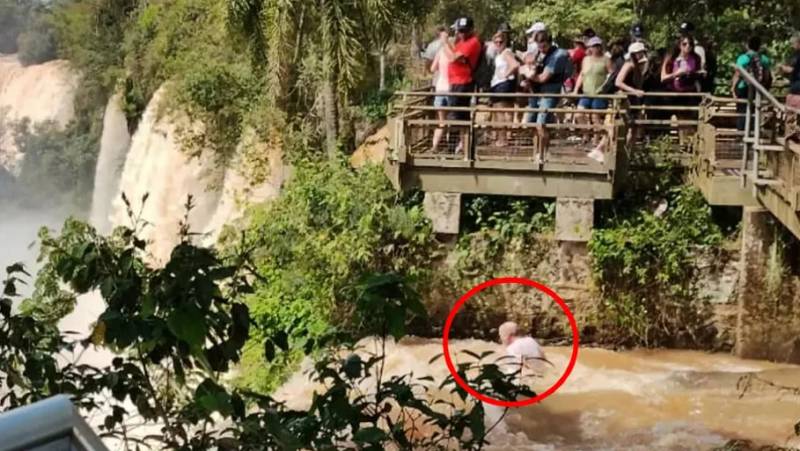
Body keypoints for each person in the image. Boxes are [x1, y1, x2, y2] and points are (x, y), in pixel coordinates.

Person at [440, 17, 482, 154]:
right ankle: (463, 147)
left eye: (464, 31)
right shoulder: (462, 42)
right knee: (459, 116)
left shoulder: (472, 42)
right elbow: (452, 54)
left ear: (471, 30)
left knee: (455, 116)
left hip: (462, 83)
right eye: (460, 31)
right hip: (455, 82)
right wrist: (448, 44)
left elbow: (452, 58)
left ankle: (452, 148)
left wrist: (444, 42)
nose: (461, 34)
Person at [528, 30, 573, 154]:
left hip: (549, 93)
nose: (541, 48)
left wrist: (529, 75)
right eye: (538, 44)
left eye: (543, 45)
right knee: (531, 122)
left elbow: (543, 78)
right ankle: (536, 151)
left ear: (549, 42)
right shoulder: (539, 54)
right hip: (536, 93)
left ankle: (542, 153)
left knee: (541, 123)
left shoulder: (558, 55)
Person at [574, 36, 612, 161]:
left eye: (598, 45)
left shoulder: (606, 60)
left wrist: (605, 87)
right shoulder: (586, 60)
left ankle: (596, 141)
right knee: (579, 114)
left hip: (599, 93)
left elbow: (611, 75)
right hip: (586, 92)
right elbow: (582, 74)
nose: (596, 48)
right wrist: (575, 89)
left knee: (596, 117)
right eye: (593, 46)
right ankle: (586, 135)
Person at [732, 36, 773, 131]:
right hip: (757, 88)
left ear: (748, 45)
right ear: (759, 46)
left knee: (742, 109)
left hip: (743, 87)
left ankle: (741, 132)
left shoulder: (742, 58)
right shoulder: (764, 59)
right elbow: (766, 76)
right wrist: (764, 88)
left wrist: (733, 88)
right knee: (756, 109)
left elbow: (737, 74)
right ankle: (754, 131)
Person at [489, 31, 519, 146]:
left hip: (502, 85)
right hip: (498, 85)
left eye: (500, 41)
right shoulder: (498, 54)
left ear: (505, 42)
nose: (498, 44)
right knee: (504, 112)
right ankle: (505, 137)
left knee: (500, 112)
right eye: (495, 42)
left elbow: (515, 65)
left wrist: (505, 75)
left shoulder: (506, 52)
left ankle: (502, 139)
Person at [617, 42, 649, 146]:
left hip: (634, 100)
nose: (640, 55)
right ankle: (621, 150)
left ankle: (629, 149)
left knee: (634, 126)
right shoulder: (628, 65)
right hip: (626, 98)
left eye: (641, 52)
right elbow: (618, 82)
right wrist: (634, 91)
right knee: (625, 125)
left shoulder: (638, 67)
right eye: (637, 53)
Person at [430, 26, 452, 153]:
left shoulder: (440, 53)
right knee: (449, 119)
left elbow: (432, 69)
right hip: (449, 88)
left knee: (441, 121)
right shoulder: (451, 52)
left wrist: (440, 68)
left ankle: (435, 146)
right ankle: (449, 145)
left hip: (440, 87)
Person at [780, 33, 800, 139]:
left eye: (793, 44)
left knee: (791, 111)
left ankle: (791, 133)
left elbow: (792, 69)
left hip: (797, 89)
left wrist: (782, 68)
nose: (792, 46)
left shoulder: (798, 55)